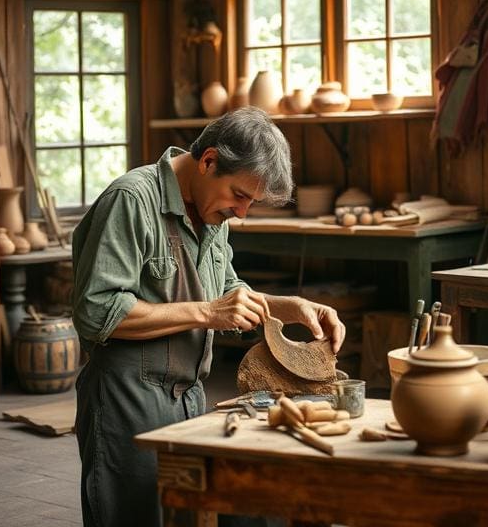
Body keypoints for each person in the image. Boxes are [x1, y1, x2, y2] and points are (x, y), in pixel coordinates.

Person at [72, 106, 345, 527]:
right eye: (240, 196)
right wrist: (207, 312)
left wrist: (291, 306)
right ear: (209, 160)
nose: (242, 213)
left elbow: (227, 291)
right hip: (127, 399)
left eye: (252, 203)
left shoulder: (212, 212)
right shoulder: (131, 200)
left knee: (193, 516)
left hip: (189, 398)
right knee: (134, 517)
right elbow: (96, 311)